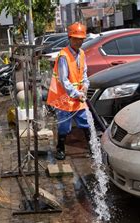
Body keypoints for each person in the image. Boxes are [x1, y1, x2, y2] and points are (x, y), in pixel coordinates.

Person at [47, 22, 90, 160]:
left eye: (81, 39)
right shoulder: (63, 56)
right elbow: (63, 80)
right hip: (64, 98)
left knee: (85, 122)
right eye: (76, 39)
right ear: (70, 38)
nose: (79, 42)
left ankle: (92, 147)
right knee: (64, 126)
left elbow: (83, 74)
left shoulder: (82, 54)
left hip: (78, 97)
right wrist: (77, 94)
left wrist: (85, 86)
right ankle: (60, 148)